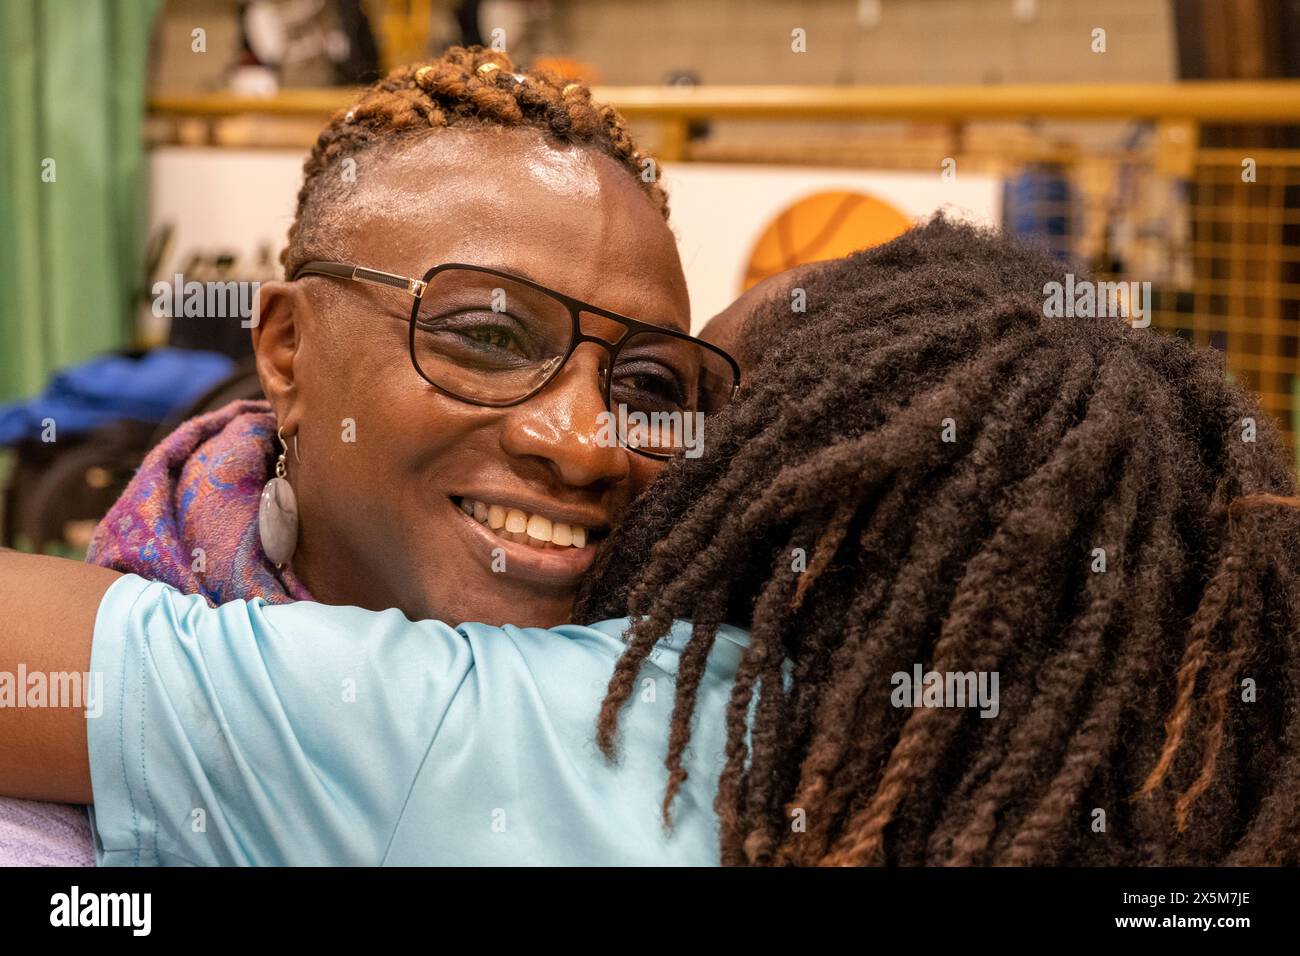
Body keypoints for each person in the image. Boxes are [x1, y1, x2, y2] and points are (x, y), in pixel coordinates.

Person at [4, 221, 1297, 865]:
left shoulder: (592, 736)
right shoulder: (1205, 765)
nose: (595, 444)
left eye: (674, 400)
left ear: (787, 481)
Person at [0, 45, 740, 865]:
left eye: (647, 384)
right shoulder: (62, 773)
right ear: (287, 351)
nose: (583, 446)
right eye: (488, 336)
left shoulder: (695, 712)